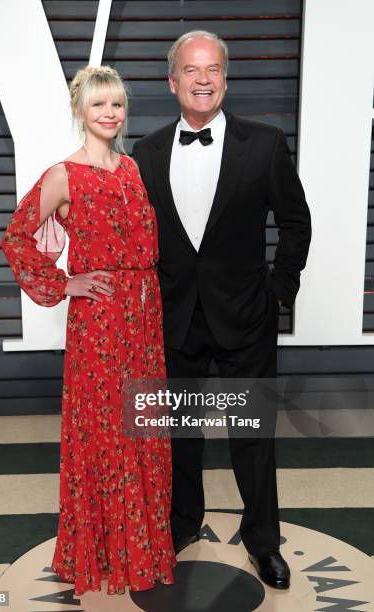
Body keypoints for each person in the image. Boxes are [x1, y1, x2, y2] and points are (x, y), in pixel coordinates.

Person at [132, 31, 311, 590]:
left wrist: (278, 290)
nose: (202, 79)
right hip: (176, 317)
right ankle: (182, 524)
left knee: (252, 437)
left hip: (245, 316)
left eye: (212, 69)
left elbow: (295, 221)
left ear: (225, 79)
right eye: (191, 70)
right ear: (173, 81)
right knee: (181, 434)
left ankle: (263, 543)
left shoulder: (264, 143)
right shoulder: (148, 151)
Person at [1, 65, 176, 596]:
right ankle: (104, 555)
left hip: (144, 315)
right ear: (80, 111)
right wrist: (66, 283)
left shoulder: (131, 169)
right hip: (99, 320)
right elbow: (17, 238)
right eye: (99, 105)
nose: (109, 113)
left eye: (117, 104)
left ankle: (142, 550)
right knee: (106, 428)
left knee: (143, 425)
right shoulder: (64, 175)